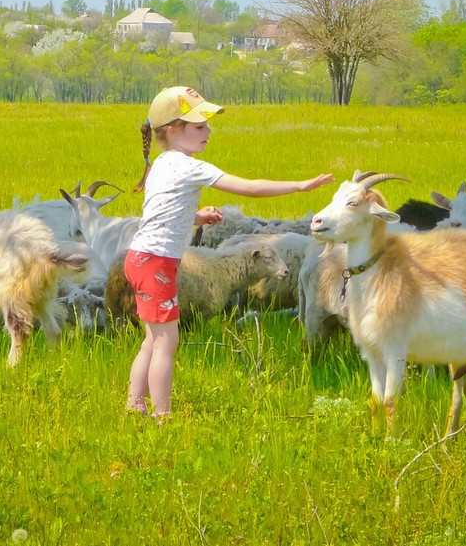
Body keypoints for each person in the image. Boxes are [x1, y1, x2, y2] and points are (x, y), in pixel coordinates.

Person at [124, 86, 334, 418]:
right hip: (158, 265)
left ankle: (134, 405)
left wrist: (198, 217)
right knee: (168, 343)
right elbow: (249, 187)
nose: (209, 131)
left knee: (152, 340)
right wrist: (299, 185)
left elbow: (160, 212)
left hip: (138, 258)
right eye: (199, 126)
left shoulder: (163, 163)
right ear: (172, 131)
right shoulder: (189, 167)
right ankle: (161, 416)